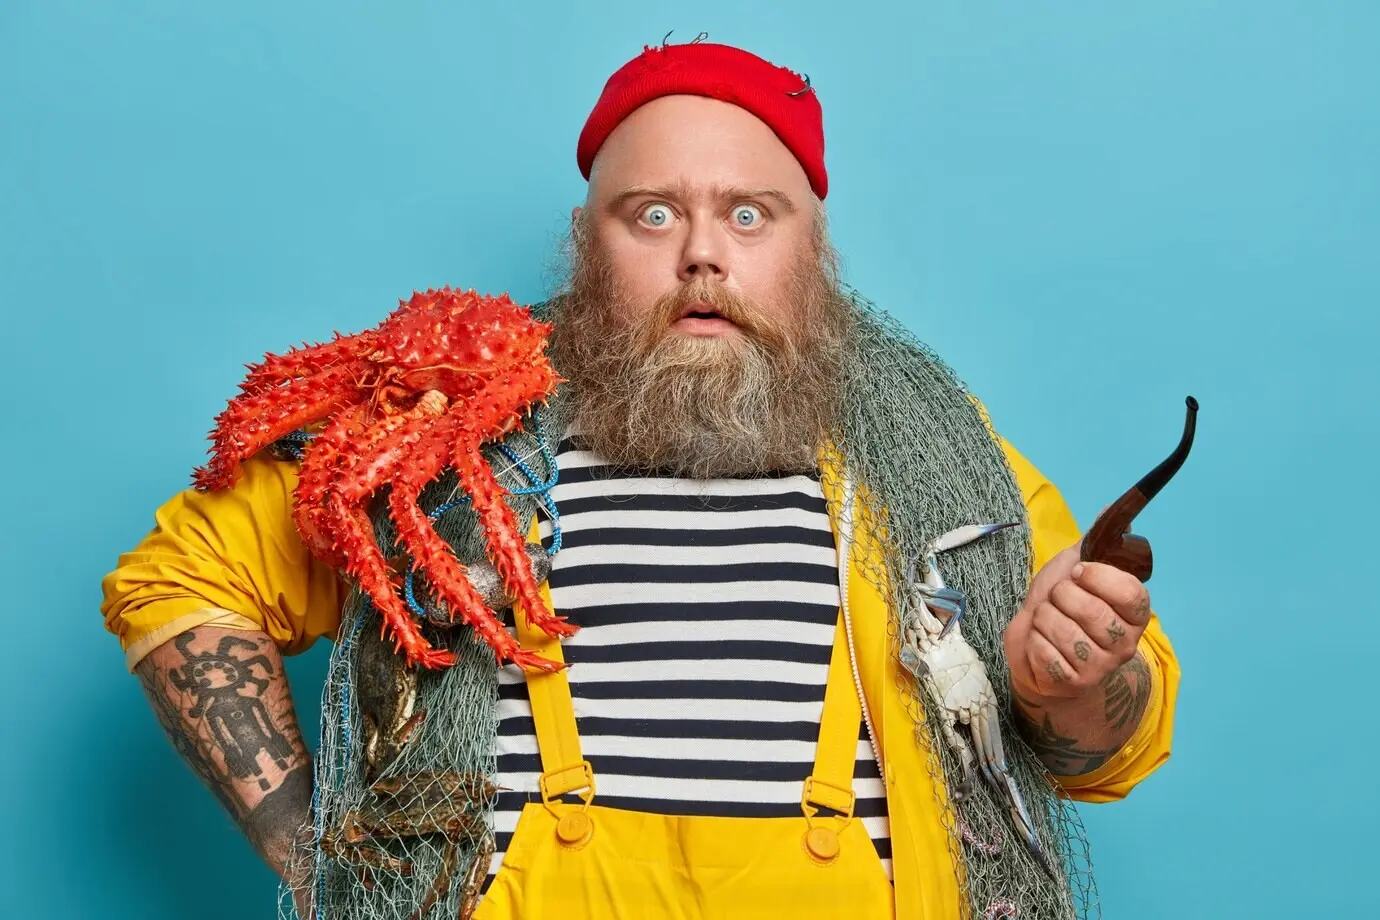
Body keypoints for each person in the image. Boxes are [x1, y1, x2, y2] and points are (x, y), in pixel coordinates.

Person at [101, 38, 1179, 920]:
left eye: (751, 215)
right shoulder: (451, 433)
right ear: (587, 241)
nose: (703, 254)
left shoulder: (937, 449)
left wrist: (1070, 682)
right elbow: (180, 578)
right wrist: (314, 854)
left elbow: (1107, 748)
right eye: (652, 213)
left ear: (816, 249)